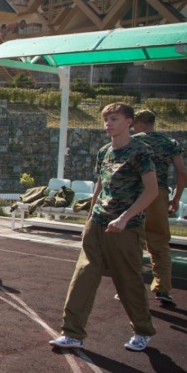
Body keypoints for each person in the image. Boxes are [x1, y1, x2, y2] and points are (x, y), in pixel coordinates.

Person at [50, 102, 158, 352]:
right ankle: (72, 332)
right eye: (106, 119)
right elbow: (100, 186)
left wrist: (125, 218)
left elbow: (151, 191)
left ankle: (142, 330)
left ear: (129, 122)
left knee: (128, 281)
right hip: (98, 224)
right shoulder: (104, 152)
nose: (108, 123)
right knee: (83, 277)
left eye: (114, 119)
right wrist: (89, 218)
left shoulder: (141, 151)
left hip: (125, 228)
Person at [132, 109, 187, 306]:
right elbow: (182, 173)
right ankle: (163, 288)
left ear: (139, 123)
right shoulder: (169, 143)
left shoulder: (133, 142)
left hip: (135, 193)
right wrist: (176, 198)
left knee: (132, 240)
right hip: (159, 193)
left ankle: (129, 288)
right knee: (159, 241)